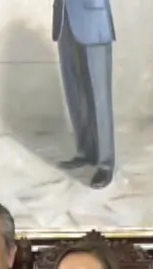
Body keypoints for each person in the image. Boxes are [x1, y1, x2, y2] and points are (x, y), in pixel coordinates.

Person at [53, 0, 116, 188]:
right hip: (64, 21)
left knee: (100, 98)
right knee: (75, 91)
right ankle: (86, 151)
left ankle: (105, 163)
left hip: (93, 17)